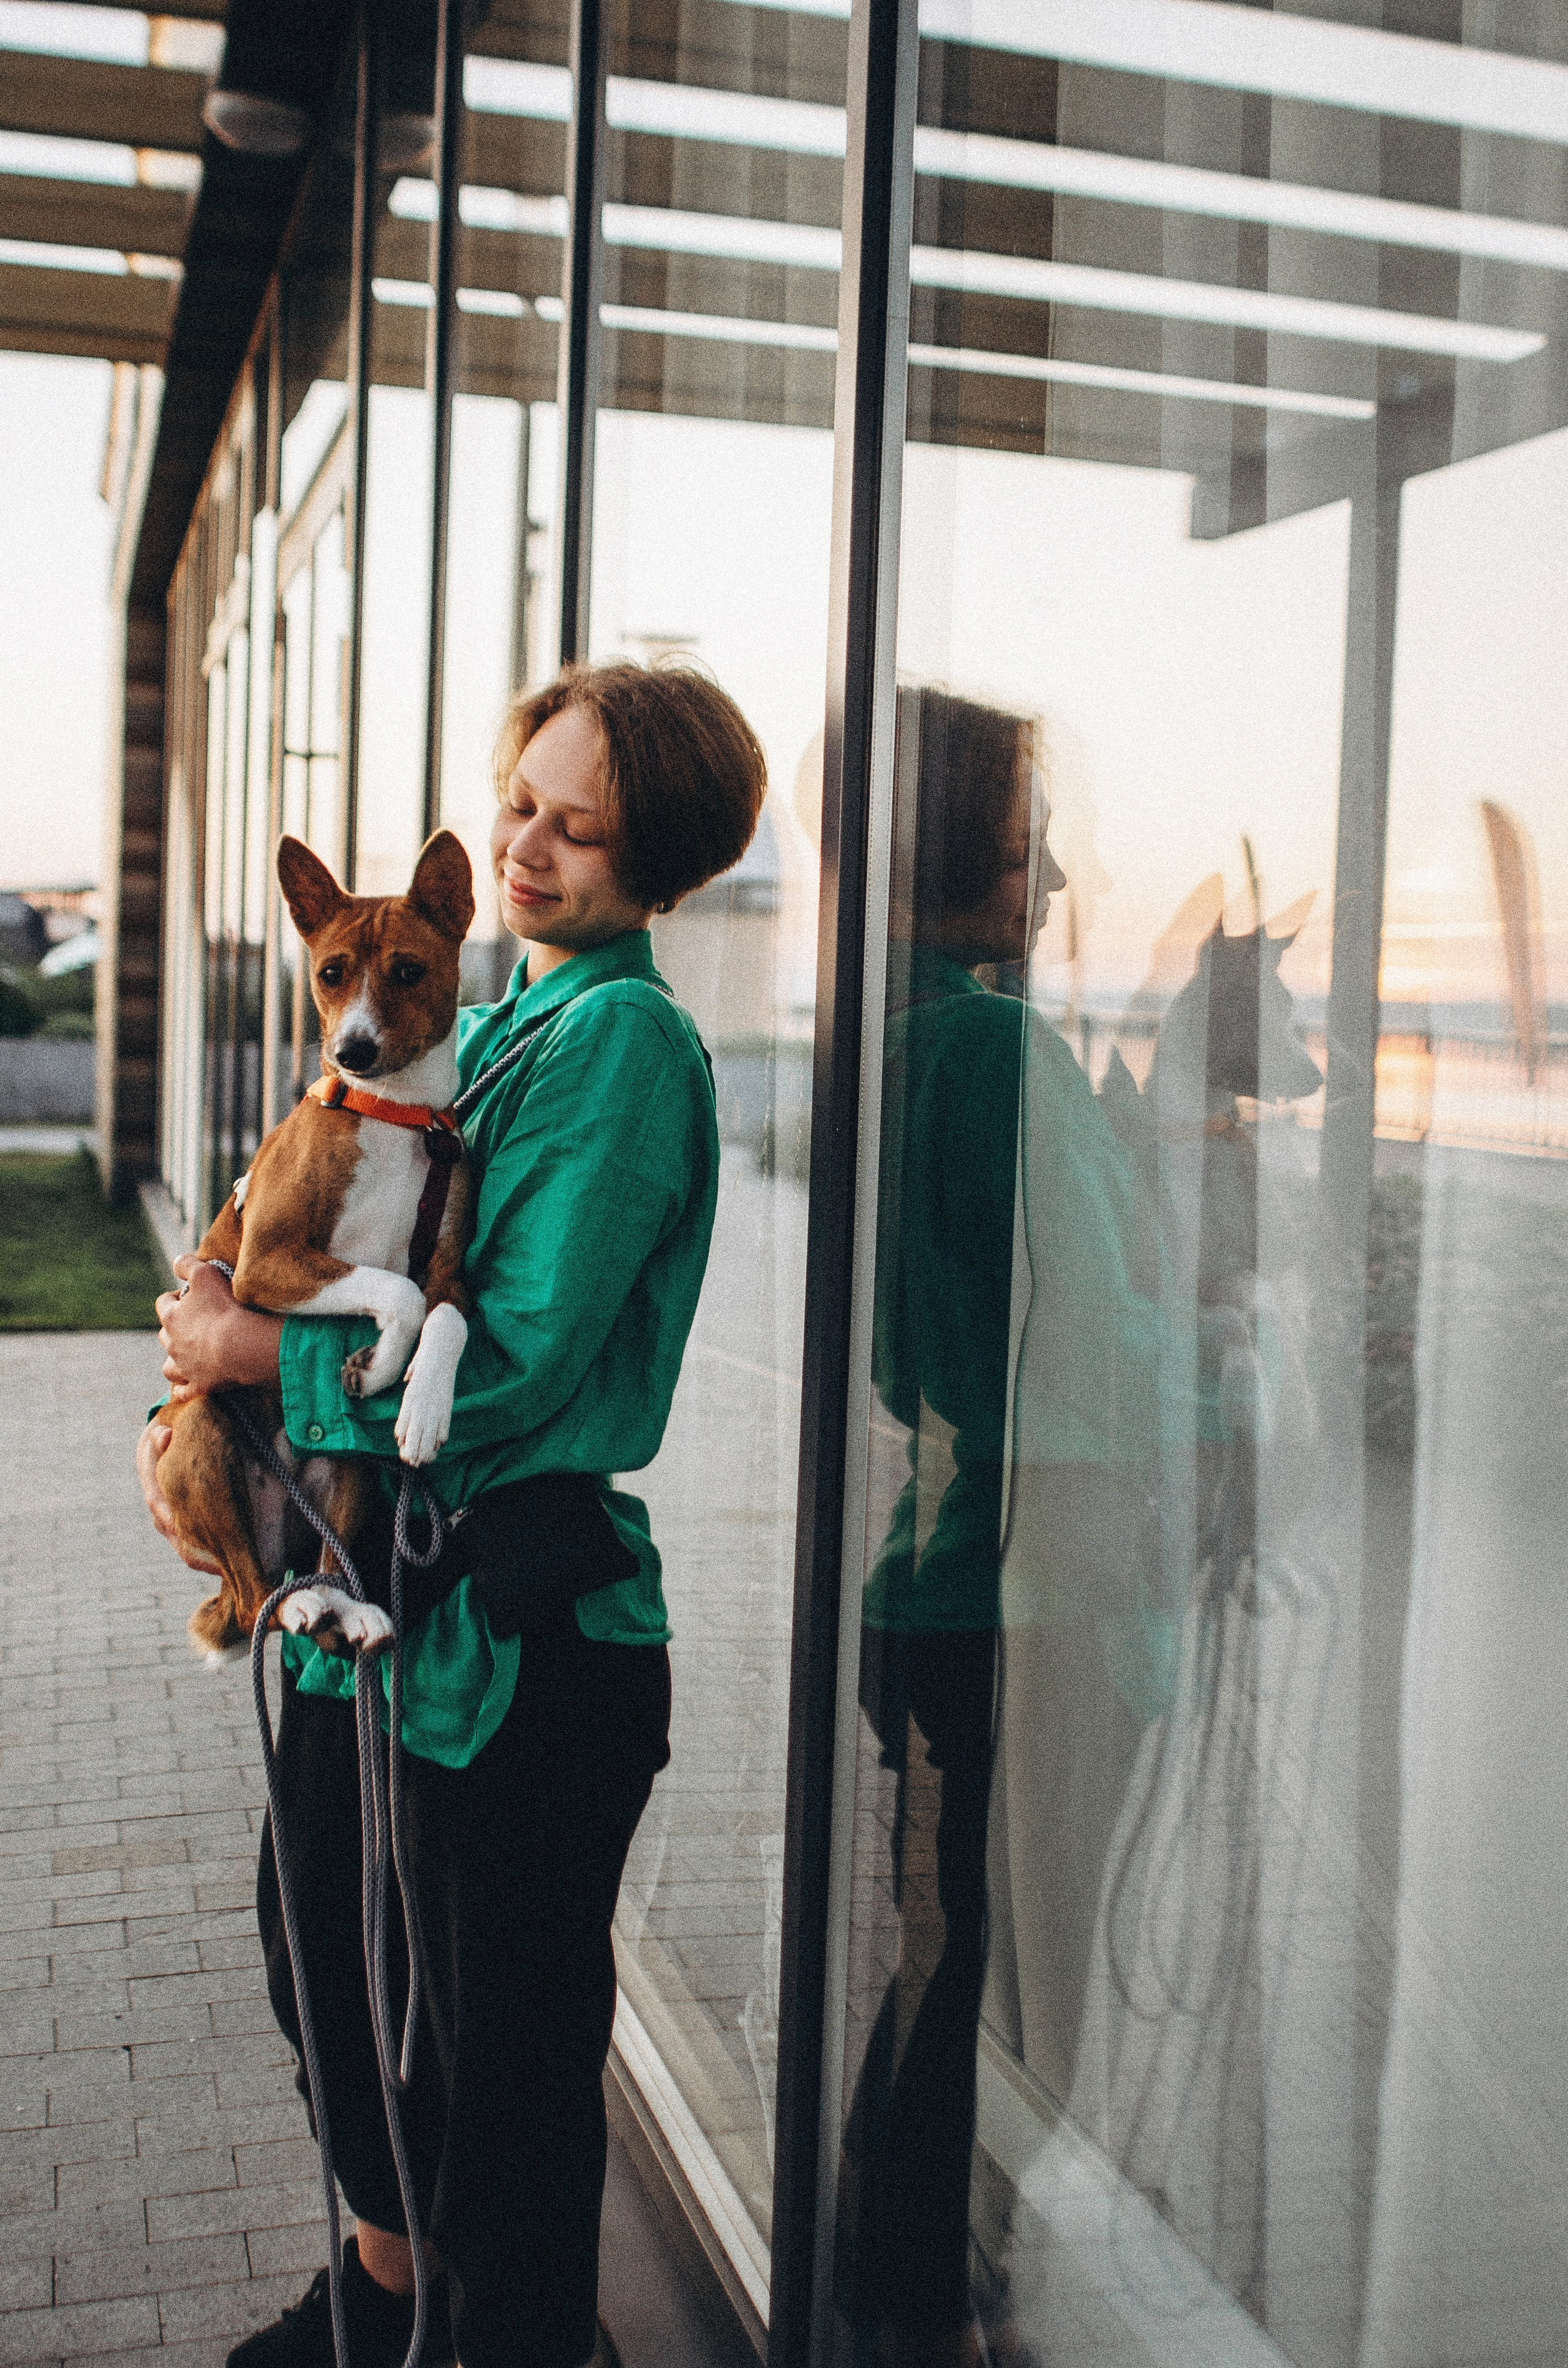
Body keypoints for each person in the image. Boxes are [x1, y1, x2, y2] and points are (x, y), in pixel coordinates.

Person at [137, 660, 766, 2368]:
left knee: (488, 2067)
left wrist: (251, 1346)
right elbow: (302, 1169)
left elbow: (528, 1369)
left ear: (666, 856)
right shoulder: (480, 1022)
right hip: (386, 1623)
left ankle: (517, 2342)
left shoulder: (621, 1043)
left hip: (522, 1631)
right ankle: (384, 2298)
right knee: (329, 1974)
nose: (530, 847)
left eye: (583, 826)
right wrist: (214, 1271)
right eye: (522, 805)